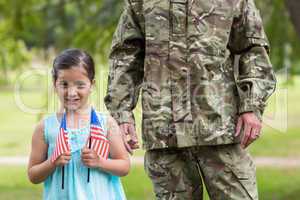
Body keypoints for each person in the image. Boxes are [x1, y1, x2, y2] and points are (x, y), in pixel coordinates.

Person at [105, 0, 276, 199]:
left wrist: (251, 106)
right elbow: (125, 56)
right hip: (165, 133)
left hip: (220, 129)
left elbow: (253, 50)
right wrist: (122, 113)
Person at [28, 49, 129, 200]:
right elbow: (33, 175)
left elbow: (124, 166)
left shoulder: (106, 123)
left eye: (80, 85)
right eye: (64, 84)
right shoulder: (44, 127)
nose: (71, 92)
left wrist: (100, 162)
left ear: (92, 84)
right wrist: (52, 162)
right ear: (54, 84)